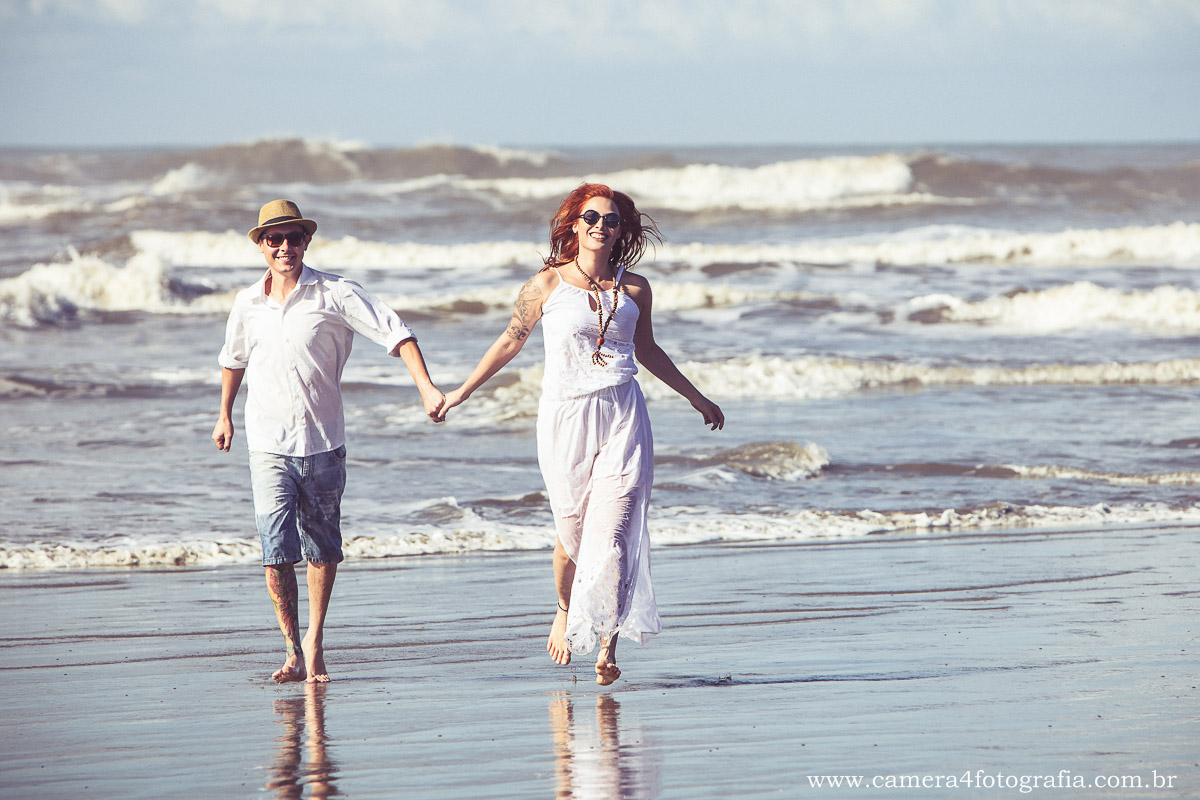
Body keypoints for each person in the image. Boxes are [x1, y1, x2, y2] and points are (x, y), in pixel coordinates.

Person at [438, 184, 724, 685]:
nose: (599, 226)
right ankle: (564, 608)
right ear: (574, 224)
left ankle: (608, 646)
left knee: (612, 535)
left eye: (610, 220)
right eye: (590, 217)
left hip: (624, 414)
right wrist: (462, 391)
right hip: (565, 418)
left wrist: (695, 397)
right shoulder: (546, 285)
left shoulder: (635, 289)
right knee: (573, 536)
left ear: (621, 230)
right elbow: (510, 340)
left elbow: (649, 349)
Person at [213, 199, 444, 683]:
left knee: (322, 547)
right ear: (261, 246)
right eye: (273, 239)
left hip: (323, 441)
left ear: (306, 242)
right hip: (267, 443)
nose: (284, 247)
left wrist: (425, 387)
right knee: (276, 550)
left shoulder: (335, 293)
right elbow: (233, 360)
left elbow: (396, 332)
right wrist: (224, 416)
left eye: (293, 238)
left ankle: (315, 640)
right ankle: (293, 650)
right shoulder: (247, 303)